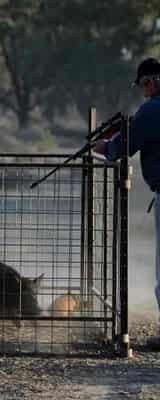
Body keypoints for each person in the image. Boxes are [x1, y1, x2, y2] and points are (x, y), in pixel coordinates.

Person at [95, 57, 160, 349]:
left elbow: (125, 145)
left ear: (151, 82)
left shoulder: (152, 110)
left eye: (144, 85)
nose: (144, 91)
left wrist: (105, 147)